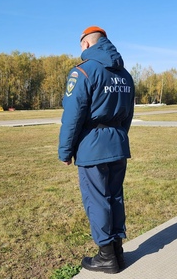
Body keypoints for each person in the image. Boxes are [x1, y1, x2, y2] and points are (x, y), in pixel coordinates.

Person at [58, 26, 135, 274]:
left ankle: (106, 256)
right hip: (118, 142)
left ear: (87, 44)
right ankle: (118, 251)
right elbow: (128, 115)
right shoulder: (125, 75)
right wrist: (119, 135)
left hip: (92, 145)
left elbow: (73, 116)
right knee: (115, 197)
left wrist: (65, 150)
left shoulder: (83, 72)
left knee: (97, 200)